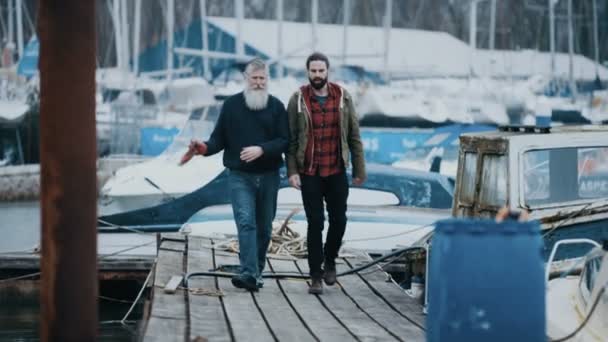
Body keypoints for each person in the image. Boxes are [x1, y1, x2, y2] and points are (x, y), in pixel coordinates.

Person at [180, 58, 289, 291]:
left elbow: (285, 141)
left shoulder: (277, 107)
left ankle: (256, 272)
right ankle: (249, 273)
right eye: (254, 78)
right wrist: (204, 148)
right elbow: (219, 139)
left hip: (269, 176)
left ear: (267, 80)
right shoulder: (231, 106)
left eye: (262, 78)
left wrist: (262, 149)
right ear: (246, 79)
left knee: (265, 227)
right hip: (240, 176)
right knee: (246, 222)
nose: (258, 83)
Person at [286, 52, 366, 294]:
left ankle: (330, 260)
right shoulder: (298, 99)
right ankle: (315, 276)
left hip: (336, 169)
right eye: (313, 71)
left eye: (321, 71)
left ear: (328, 71)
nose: (317, 75)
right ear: (308, 72)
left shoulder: (343, 97)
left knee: (339, 220)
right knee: (315, 223)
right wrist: (292, 171)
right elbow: (290, 140)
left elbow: (353, 135)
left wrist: (359, 169)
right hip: (309, 171)